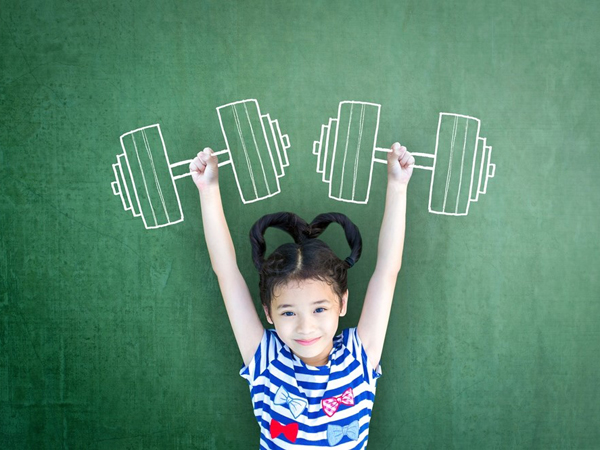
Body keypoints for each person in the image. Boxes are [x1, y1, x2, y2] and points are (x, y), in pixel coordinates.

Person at [190, 142, 414, 449]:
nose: (305, 327)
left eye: (320, 309)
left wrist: (397, 185)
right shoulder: (266, 359)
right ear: (268, 313)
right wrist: (208, 189)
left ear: (342, 303)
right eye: (288, 312)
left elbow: (388, 271)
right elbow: (227, 272)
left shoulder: (358, 356)